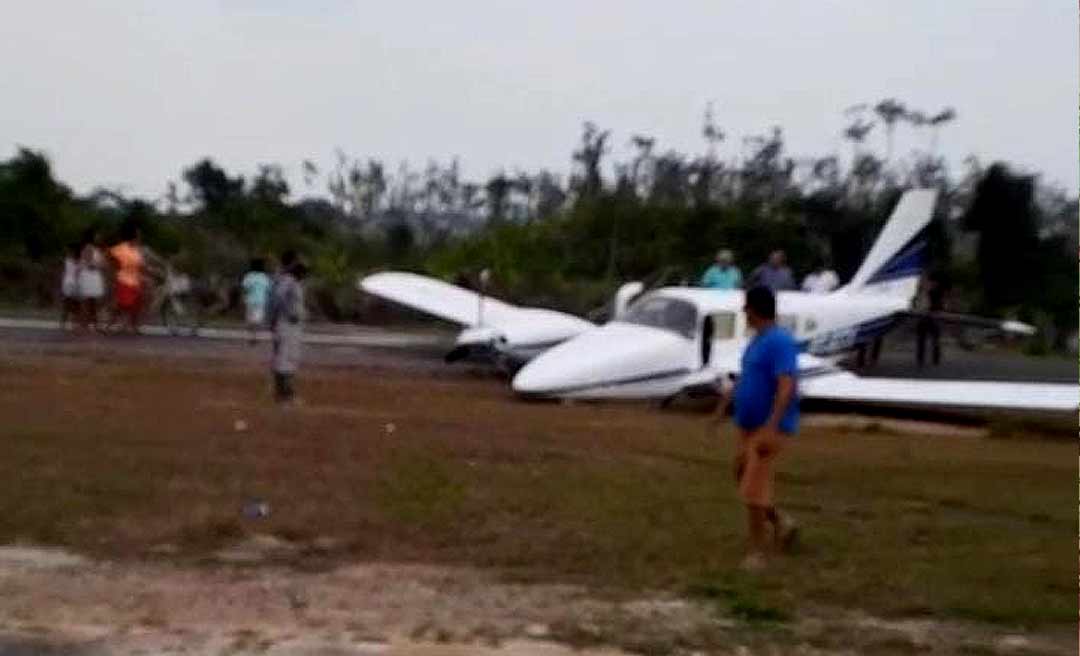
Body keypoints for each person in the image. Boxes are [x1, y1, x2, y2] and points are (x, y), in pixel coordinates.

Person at [719, 285, 800, 571]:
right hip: (748, 424)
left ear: (754, 309)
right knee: (741, 471)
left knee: (753, 485)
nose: (744, 313)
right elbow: (747, 377)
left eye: (746, 308)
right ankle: (782, 523)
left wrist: (772, 425)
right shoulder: (756, 341)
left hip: (768, 427)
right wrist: (725, 405)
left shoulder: (780, 341)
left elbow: (786, 384)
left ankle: (757, 552)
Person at [268, 250, 307, 404]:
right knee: (284, 359)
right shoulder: (287, 280)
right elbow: (278, 298)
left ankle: (284, 393)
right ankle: (284, 394)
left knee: (287, 358)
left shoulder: (290, 280)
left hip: (290, 324)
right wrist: (288, 312)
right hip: (286, 324)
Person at [107, 221, 147, 334]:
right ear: (132, 235)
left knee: (136, 305)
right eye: (138, 234)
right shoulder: (121, 248)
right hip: (124, 280)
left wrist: (148, 272)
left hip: (136, 280)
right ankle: (111, 325)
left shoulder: (136, 249)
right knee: (123, 305)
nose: (140, 236)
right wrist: (116, 268)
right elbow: (110, 256)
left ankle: (134, 327)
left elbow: (141, 265)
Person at [77, 227, 107, 332]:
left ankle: (94, 324)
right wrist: (98, 265)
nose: (99, 238)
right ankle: (84, 324)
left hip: (95, 277)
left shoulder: (98, 250)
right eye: (97, 236)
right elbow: (89, 263)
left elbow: (103, 264)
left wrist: (100, 265)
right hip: (89, 276)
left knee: (94, 302)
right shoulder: (88, 247)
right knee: (87, 302)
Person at [916, 273, 947, 366]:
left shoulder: (937, 292)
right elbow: (919, 303)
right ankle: (921, 359)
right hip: (924, 317)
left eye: (931, 282)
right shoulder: (924, 291)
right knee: (922, 339)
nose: (929, 284)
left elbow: (940, 304)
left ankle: (935, 359)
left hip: (933, 317)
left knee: (935, 339)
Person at [241, 258, 272, 345]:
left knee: (251, 321)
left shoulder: (249, 276)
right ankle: (255, 336)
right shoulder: (264, 277)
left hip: (250, 301)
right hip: (261, 301)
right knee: (257, 321)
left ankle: (253, 336)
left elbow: (245, 288)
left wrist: (243, 298)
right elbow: (268, 290)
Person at [59, 243, 81, 331]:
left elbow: (64, 272)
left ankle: (68, 323)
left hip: (69, 283)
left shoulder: (68, 261)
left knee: (69, 304)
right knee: (72, 305)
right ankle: (70, 323)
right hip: (72, 283)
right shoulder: (72, 261)